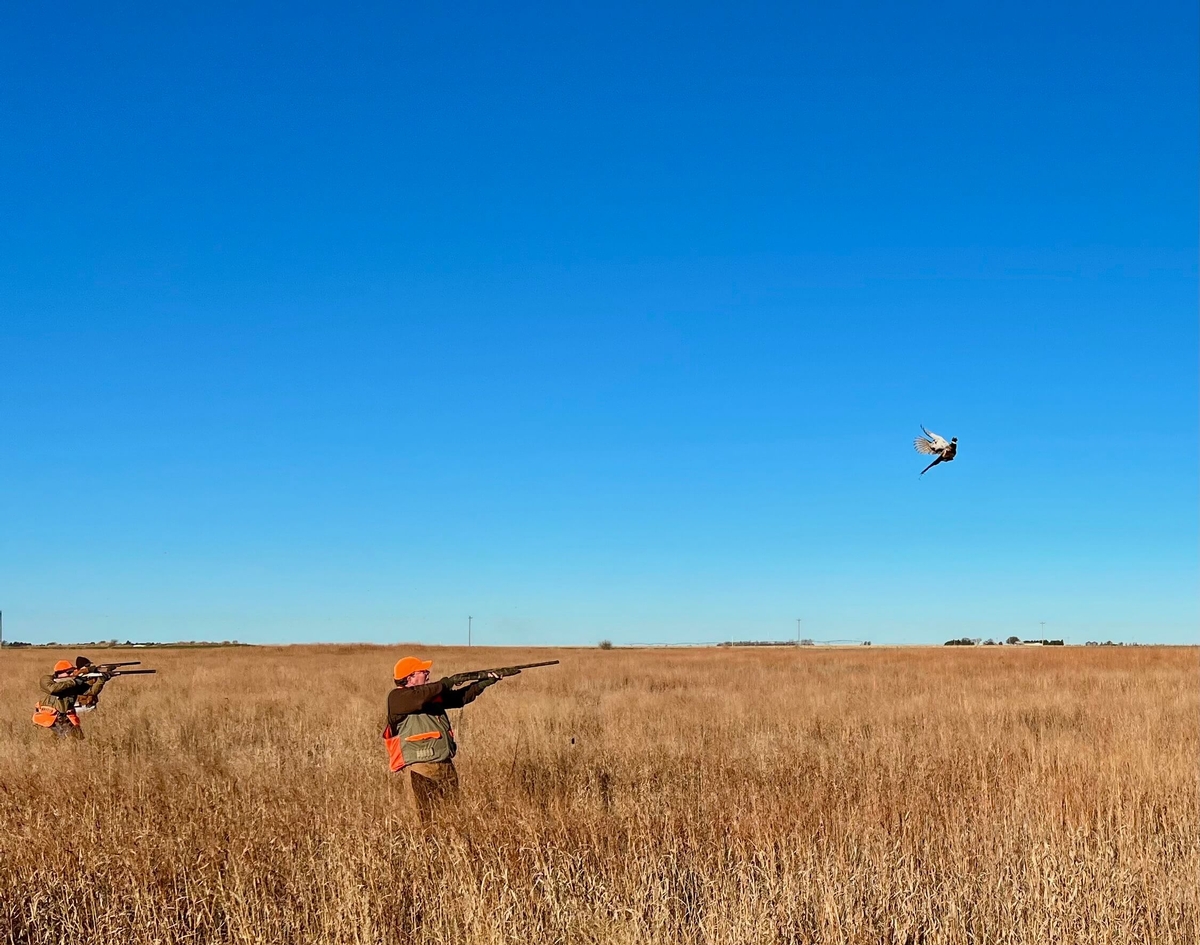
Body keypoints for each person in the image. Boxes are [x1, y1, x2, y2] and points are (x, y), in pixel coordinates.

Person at [384, 656, 502, 821]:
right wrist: (448, 682)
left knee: (451, 817)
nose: (428, 673)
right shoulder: (397, 698)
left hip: (446, 766)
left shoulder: (428, 696)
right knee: (425, 820)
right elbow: (419, 698)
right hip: (421, 770)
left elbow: (460, 698)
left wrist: (483, 683)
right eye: (423, 671)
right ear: (409, 677)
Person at [33, 659, 109, 739]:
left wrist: (101, 680)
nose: (72, 674)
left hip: (67, 718)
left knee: (79, 741)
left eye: (72, 671)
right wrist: (74, 682)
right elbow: (53, 689)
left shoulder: (73, 684)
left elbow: (91, 692)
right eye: (69, 672)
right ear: (59, 673)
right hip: (48, 719)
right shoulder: (46, 679)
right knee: (56, 743)